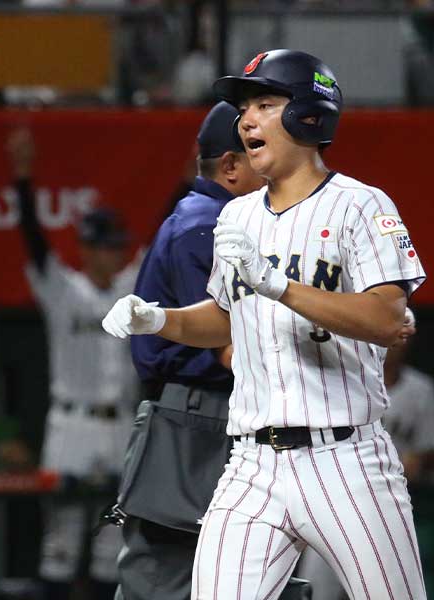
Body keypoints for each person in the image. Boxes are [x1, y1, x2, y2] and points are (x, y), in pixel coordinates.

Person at [103, 49, 428, 599]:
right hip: (252, 462)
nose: (247, 119)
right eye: (244, 108)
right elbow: (225, 321)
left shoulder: (361, 206)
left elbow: (387, 318)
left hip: (344, 458)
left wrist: (278, 285)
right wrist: (158, 319)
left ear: (309, 114)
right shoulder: (237, 215)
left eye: (265, 103)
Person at [113, 102, 264, 600]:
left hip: (209, 417)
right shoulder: (205, 224)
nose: (275, 169)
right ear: (230, 166)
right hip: (194, 420)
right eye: (260, 153)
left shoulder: (220, 219)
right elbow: (227, 342)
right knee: (165, 580)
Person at [7, 129, 140, 600]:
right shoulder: (64, 289)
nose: (114, 253)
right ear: (86, 249)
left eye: (117, 246)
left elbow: (166, 229)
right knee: (60, 546)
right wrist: (22, 179)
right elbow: (34, 241)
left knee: (111, 546)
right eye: (105, 246)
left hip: (118, 424)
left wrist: (188, 182)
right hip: (71, 424)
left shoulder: (130, 286)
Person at [297, 307, 434, 600]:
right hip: (337, 501)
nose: (394, 345)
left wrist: (418, 460)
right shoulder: (339, 383)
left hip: (396, 501)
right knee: (317, 590)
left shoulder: (420, 389)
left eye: (401, 337)